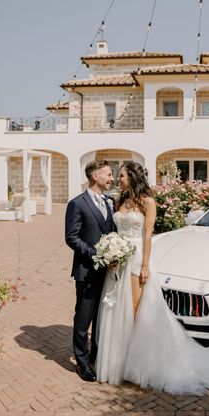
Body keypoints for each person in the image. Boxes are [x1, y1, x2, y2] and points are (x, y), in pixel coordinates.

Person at [95, 161, 209, 394]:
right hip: (118, 260)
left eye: (121, 175)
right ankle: (116, 361)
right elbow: (115, 229)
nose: (118, 179)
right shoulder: (119, 200)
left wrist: (144, 265)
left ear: (132, 177)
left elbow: (148, 236)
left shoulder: (147, 202)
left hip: (136, 258)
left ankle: (134, 364)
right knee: (116, 308)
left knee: (133, 310)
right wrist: (111, 251)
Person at [65, 160, 115, 383]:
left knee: (101, 317)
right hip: (87, 269)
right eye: (108, 174)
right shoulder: (77, 203)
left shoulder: (109, 201)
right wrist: (97, 254)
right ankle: (82, 363)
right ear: (96, 176)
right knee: (84, 318)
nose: (111, 178)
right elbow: (71, 237)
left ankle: (96, 356)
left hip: (109, 271)